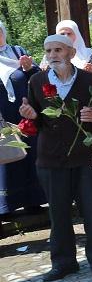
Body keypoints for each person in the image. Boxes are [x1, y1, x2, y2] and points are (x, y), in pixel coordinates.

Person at [22, 34, 92, 281]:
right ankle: (63, 263)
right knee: (58, 214)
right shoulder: (37, 81)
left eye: (58, 50)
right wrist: (29, 115)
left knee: (91, 211)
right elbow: (36, 119)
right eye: (48, 51)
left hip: (85, 158)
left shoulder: (90, 80)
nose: (52, 56)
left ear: (71, 53)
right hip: (51, 159)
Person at [0, 20, 45, 215]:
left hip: (24, 114)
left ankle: (33, 201)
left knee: (28, 155)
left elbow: (36, 77)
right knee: (6, 154)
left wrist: (28, 68)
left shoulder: (18, 52)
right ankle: (6, 206)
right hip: (2, 116)